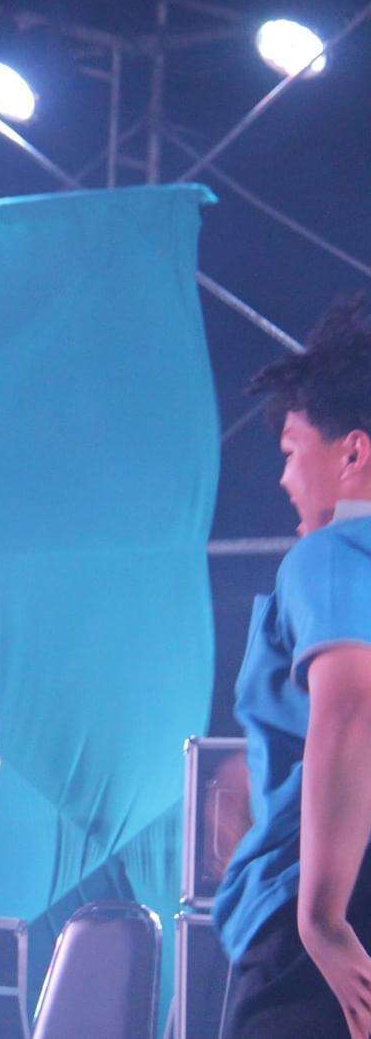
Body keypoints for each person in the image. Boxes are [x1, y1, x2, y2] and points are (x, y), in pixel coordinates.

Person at [216, 297, 371, 1038]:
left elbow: (352, 704)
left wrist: (322, 918)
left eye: (290, 449)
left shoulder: (334, 552)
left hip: (316, 917)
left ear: (353, 453)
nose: (283, 477)